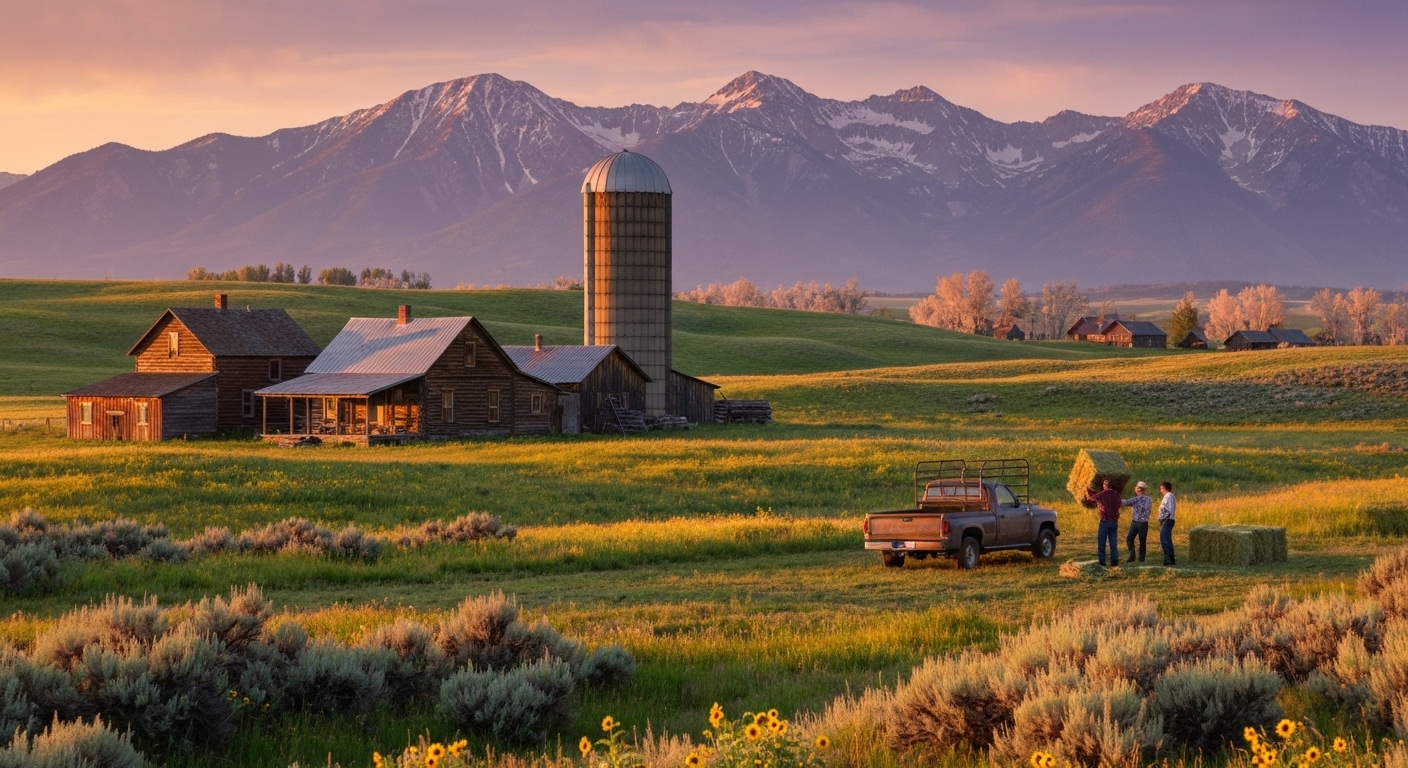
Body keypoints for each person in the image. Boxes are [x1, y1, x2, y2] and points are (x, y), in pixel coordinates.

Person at [1085, 479, 1123, 566]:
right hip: (1114, 522)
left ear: (1105, 486)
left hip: (1105, 521)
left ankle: (1102, 562)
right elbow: (1119, 504)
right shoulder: (1117, 495)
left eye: (1104, 485)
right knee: (1113, 543)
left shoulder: (1103, 494)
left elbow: (1090, 498)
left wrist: (1086, 489)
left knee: (1102, 542)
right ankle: (1114, 562)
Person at [1122, 481, 1153, 563]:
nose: (1135, 488)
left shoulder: (1136, 499)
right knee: (1142, 541)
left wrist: (1116, 497)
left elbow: (1125, 503)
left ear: (1139, 489)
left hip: (1135, 522)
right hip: (1144, 523)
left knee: (1129, 538)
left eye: (1136, 487)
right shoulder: (1149, 499)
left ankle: (1132, 555)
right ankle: (1141, 558)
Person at [1158, 481, 1177, 565]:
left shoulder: (1168, 496)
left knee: (1164, 539)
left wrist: (1162, 518)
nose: (1160, 490)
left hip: (1167, 519)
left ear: (1163, 488)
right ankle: (1171, 559)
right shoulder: (1169, 496)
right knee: (1167, 539)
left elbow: (1169, 510)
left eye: (1161, 488)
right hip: (1168, 519)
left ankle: (1168, 559)